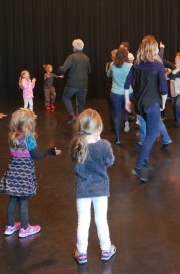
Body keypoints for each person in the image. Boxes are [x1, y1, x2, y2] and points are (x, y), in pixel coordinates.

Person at [0, 108, 61, 238]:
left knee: (13, 198)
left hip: (12, 171)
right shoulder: (29, 139)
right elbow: (36, 156)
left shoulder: (11, 136)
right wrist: (50, 151)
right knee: (24, 200)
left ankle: (10, 226)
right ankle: (25, 228)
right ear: (28, 124)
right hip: (24, 174)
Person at [71, 109, 116, 265]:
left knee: (83, 221)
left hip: (82, 189)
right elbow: (110, 162)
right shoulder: (104, 145)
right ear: (98, 129)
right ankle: (106, 249)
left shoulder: (76, 144)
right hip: (100, 189)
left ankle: (81, 253)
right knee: (101, 219)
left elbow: (73, 160)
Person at [125, 37, 168, 182]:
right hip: (152, 104)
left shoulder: (136, 65)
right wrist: (163, 104)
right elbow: (163, 89)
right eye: (156, 47)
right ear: (152, 49)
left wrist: (126, 101)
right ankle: (137, 167)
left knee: (150, 134)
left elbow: (127, 84)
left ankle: (144, 160)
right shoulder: (158, 66)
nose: (157, 49)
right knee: (151, 136)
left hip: (139, 105)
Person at [59, 39, 92, 124]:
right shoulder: (86, 57)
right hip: (84, 84)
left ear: (74, 47)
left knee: (66, 97)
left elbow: (64, 69)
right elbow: (89, 71)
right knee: (82, 103)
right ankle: (81, 122)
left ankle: (72, 115)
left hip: (72, 84)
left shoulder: (72, 57)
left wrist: (60, 70)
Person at [107, 47, 133, 145]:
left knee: (116, 116)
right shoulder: (130, 66)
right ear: (126, 55)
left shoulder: (112, 65)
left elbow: (108, 76)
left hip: (115, 94)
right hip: (128, 92)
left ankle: (118, 138)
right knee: (125, 111)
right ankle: (126, 120)